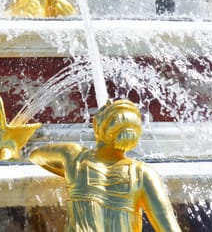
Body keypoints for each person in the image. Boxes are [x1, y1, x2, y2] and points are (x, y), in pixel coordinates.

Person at [30, 99, 181, 232]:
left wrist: (70, 172)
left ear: (96, 125)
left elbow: (35, 155)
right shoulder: (143, 174)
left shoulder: (74, 157)